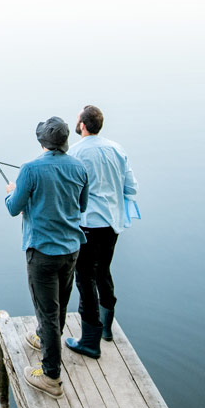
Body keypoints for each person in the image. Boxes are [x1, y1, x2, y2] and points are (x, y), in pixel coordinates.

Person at [4, 116, 88, 398]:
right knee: (60, 305)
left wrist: (11, 193)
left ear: (42, 142)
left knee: (47, 313)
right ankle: (44, 339)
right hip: (71, 249)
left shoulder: (29, 169)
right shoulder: (79, 167)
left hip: (42, 253)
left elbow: (13, 208)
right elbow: (82, 205)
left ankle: (51, 376)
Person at [64, 104, 139, 359]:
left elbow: (68, 190)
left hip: (86, 225)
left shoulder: (74, 153)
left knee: (85, 279)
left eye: (77, 119)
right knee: (103, 271)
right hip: (112, 224)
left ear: (83, 125)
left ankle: (89, 341)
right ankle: (107, 329)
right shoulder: (117, 149)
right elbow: (131, 188)